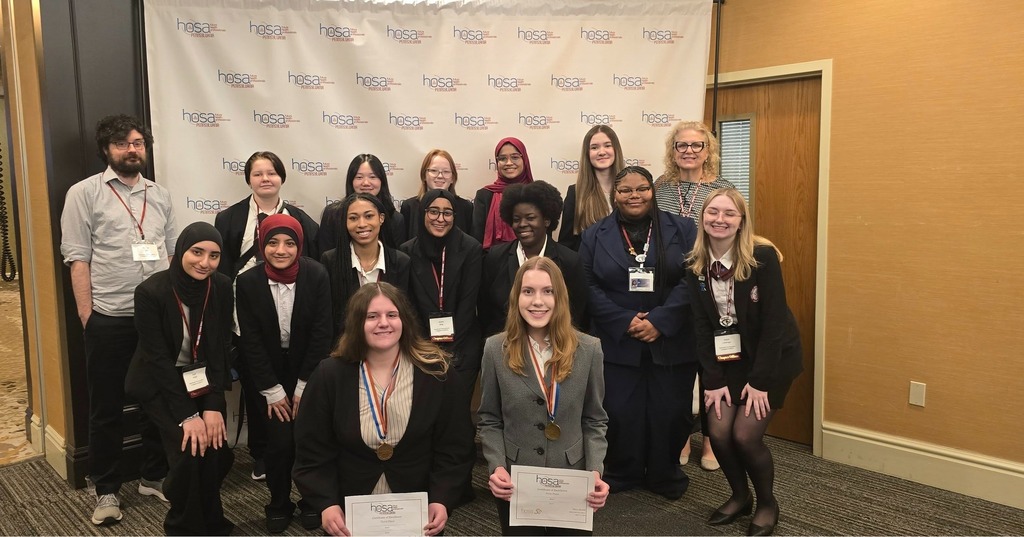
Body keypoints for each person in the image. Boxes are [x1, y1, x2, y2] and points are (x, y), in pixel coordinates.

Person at [292, 283, 475, 537]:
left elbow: (455, 447)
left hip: (419, 516)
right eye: (372, 316)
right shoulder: (329, 375)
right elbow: (312, 452)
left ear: (405, 320)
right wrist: (326, 503)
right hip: (349, 517)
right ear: (357, 323)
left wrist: (442, 498)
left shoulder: (437, 373)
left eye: (392, 315)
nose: (383, 323)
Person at [59, 114, 171, 525]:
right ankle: (106, 489)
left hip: (156, 319)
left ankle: (153, 475)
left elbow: (172, 255)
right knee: (105, 407)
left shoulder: (159, 195)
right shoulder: (83, 194)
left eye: (138, 142)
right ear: (107, 150)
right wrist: (89, 317)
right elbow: (78, 258)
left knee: (156, 402)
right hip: (109, 317)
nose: (132, 149)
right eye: (123, 143)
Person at [684, 188, 802, 536]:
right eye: (713, 213)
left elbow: (775, 324)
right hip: (727, 358)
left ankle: (767, 503)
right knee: (719, 433)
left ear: (741, 221)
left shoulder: (760, 258)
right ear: (702, 219)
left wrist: (761, 381)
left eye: (729, 214)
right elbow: (703, 328)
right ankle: (740, 497)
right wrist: (713, 379)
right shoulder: (694, 266)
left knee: (746, 436)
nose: (720, 219)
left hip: (772, 357)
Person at [579, 165, 698, 500]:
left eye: (641, 188)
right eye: (625, 190)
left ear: (652, 190)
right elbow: (586, 285)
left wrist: (660, 321)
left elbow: (693, 278)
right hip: (617, 339)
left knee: (671, 412)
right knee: (619, 410)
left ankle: (665, 473)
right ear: (613, 195)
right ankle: (623, 470)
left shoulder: (684, 228)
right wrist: (624, 320)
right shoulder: (594, 234)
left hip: (671, 339)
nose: (634, 196)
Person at [478, 256, 610, 536]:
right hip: (517, 480)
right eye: (528, 291)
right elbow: (489, 419)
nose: (537, 301)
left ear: (559, 297)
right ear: (517, 297)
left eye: (547, 291)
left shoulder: (589, 349)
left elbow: (595, 419)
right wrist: (496, 465)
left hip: (573, 478)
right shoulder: (494, 349)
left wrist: (596, 470)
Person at [213, 150, 319, 483]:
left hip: (289, 311)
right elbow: (222, 269)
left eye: (271, 172)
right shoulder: (228, 219)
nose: (265, 179)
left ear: (282, 177)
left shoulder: (300, 218)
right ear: (248, 179)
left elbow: (310, 268)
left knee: (297, 392)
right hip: (245, 313)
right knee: (259, 389)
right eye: (258, 174)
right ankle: (261, 454)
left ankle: (299, 455)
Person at [124, 222, 235, 535]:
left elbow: (219, 349)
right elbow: (156, 359)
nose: (205, 262)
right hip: (160, 384)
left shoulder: (222, 286)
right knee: (190, 453)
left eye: (214, 256)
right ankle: (182, 527)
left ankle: (213, 522)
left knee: (217, 452)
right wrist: (188, 415)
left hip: (203, 380)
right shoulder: (150, 292)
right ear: (182, 251)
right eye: (197, 252)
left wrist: (213, 405)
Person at [235, 214, 333, 533]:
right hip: (268, 375)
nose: (281, 250)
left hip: (309, 370)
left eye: (289, 243)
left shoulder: (317, 274)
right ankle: (278, 502)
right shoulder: (247, 282)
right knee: (278, 444)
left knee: (309, 441)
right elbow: (249, 339)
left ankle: (310, 501)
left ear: (299, 245)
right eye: (273, 242)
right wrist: (272, 389)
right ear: (262, 244)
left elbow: (322, 332)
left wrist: (305, 384)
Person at [655, 121, 734, 471]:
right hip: (671, 287)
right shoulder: (659, 188)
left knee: (714, 363)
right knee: (679, 365)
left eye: (696, 145)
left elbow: (740, 229)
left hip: (714, 285)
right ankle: (682, 435)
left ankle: (713, 441)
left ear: (708, 150)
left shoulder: (723, 188)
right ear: (673, 151)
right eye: (681, 145)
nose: (688, 151)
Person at [400, 189, 483, 400]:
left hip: (462, 343)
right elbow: (408, 306)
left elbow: (468, 303)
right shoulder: (407, 252)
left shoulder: (471, 248)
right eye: (434, 211)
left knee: (456, 410)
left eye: (447, 213)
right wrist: (426, 348)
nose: (440, 219)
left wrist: (450, 350)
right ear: (423, 213)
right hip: (421, 344)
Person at [480, 181, 589, 337]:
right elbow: (486, 310)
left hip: (555, 347)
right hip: (505, 346)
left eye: (530, 218)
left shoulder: (570, 260)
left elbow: (577, 313)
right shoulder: (495, 257)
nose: (522, 224)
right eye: (516, 219)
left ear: (546, 220)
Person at [321, 193, 411, 338]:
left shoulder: (400, 261)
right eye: (353, 218)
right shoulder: (330, 260)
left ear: (381, 218)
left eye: (369, 216)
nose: (362, 224)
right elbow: (327, 316)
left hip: (388, 342)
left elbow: (405, 314)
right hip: (346, 345)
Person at [318, 154, 406, 254]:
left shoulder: (395, 219)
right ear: (351, 181)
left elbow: (397, 259)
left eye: (372, 177)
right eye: (359, 177)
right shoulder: (332, 214)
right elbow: (324, 257)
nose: (366, 183)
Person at [558, 125, 624, 251]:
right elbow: (566, 245)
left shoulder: (631, 191)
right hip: (588, 267)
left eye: (607, 145)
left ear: (616, 149)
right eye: (594, 147)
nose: (602, 152)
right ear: (587, 154)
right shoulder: (576, 193)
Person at [472, 137, 534, 250]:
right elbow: (477, 240)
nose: (509, 163)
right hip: (493, 262)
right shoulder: (485, 195)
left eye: (515, 157)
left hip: (531, 262)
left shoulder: (536, 193)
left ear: (524, 159)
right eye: (502, 158)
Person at [400, 149, 474, 238]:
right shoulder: (409, 207)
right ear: (424, 175)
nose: (440, 176)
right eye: (434, 171)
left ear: (453, 178)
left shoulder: (466, 207)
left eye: (446, 172)